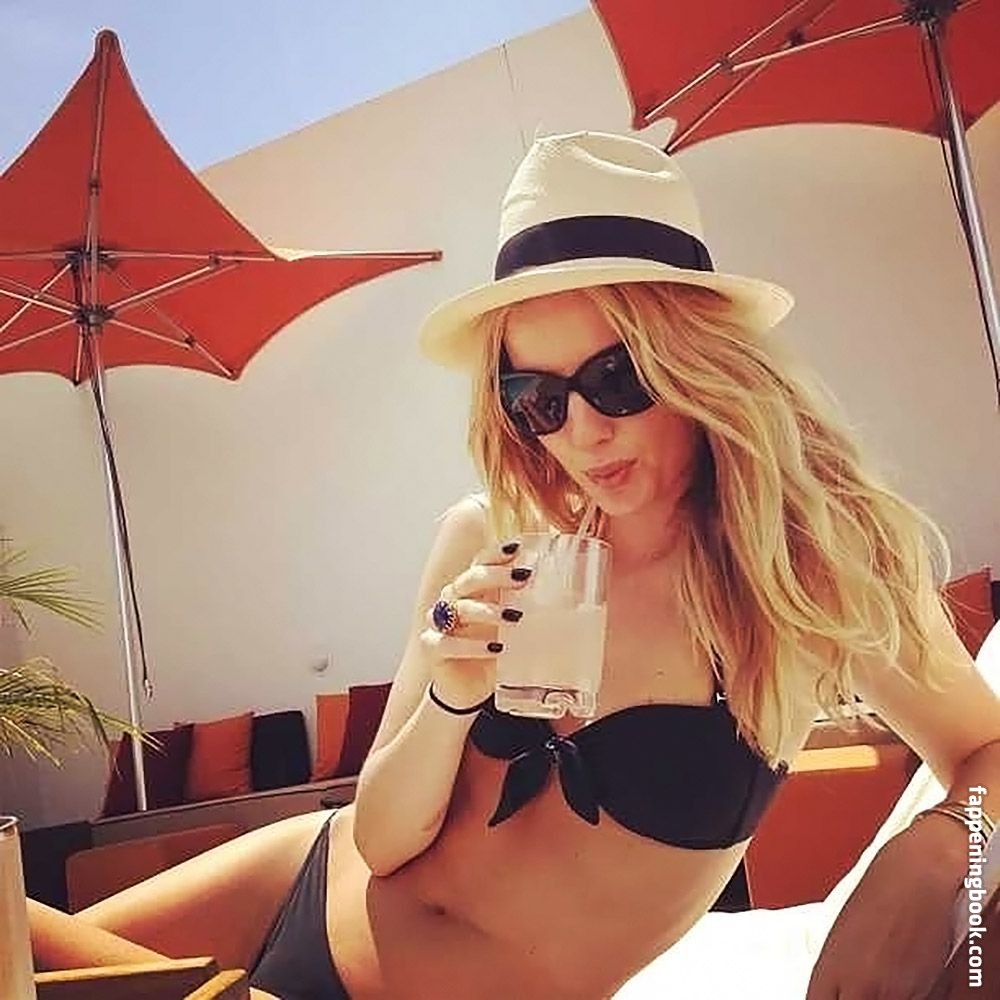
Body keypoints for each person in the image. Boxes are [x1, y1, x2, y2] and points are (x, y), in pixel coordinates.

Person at [29, 130, 1000, 1000]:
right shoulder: (488, 537)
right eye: (537, 396)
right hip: (294, 889)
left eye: (616, 378)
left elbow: (986, 753)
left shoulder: (811, 567)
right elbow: (381, 838)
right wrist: (449, 691)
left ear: (700, 363)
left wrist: (940, 851)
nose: (580, 432)